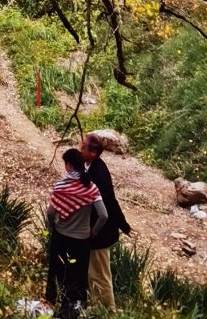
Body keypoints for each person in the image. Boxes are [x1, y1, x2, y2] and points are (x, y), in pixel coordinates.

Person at [45, 147, 108, 318]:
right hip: (81, 241)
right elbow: (103, 215)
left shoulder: (62, 185)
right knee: (76, 274)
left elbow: (51, 212)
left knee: (58, 271)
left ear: (68, 164)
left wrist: (53, 225)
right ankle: (72, 309)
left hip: (62, 238)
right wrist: (93, 231)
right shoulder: (91, 187)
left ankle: (52, 304)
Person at [80, 133, 132, 310]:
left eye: (83, 147)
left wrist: (124, 226)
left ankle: (108, 309)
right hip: (93, 230)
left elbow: (109, 201)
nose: (80, 149)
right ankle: (97, 305)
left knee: (101, 274)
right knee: (93, 272)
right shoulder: (89, 166)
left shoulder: (99, 173)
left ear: (93, 152)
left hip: (101, 232)